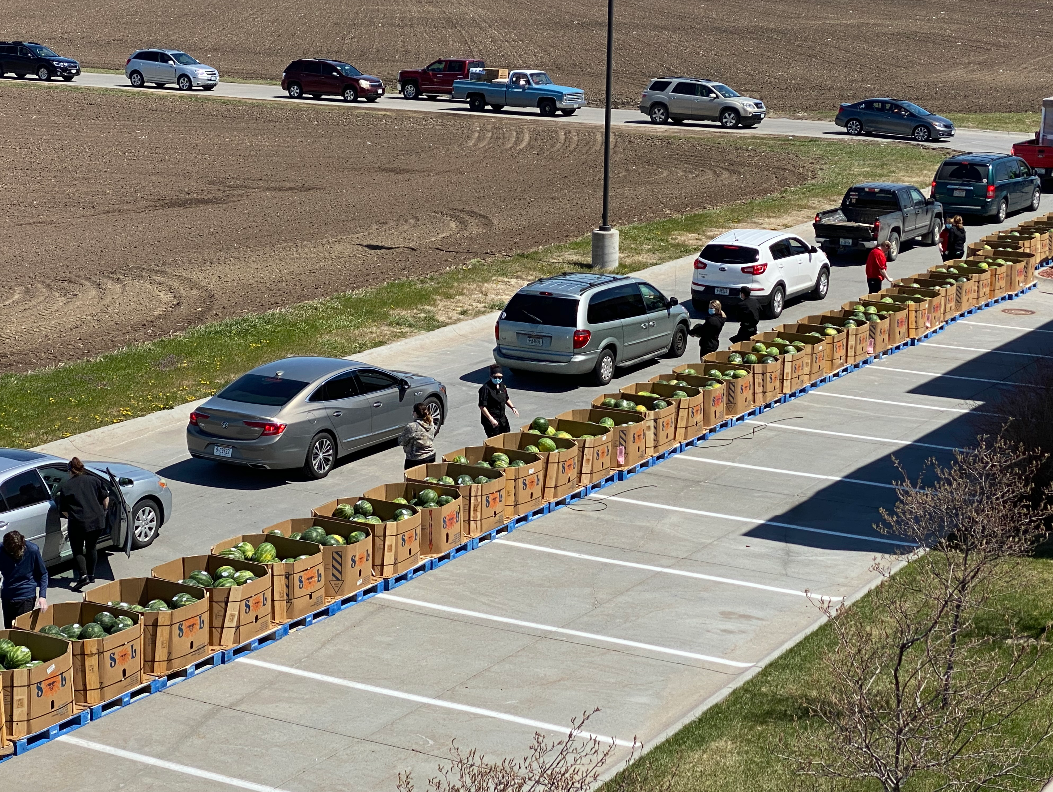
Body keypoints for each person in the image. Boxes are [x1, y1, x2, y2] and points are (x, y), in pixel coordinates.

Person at [56, 457, 109, 590]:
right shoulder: (94, 480)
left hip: (78, 523)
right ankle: (91, 575)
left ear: (70, 471)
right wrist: (104, 511)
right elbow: (105, 498)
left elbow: (64, 510)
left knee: (78, 550)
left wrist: (74, 517)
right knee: (91, 547)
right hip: (97, 521)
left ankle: (83, 576)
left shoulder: (66, 486)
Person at [0, 525, 48, 629]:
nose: (15, 556)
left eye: (16, 553)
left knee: (22, 630)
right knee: (9, 630)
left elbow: (43, 574)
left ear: (23, 545)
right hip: (7, 596)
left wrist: (42, 596)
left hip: (26, 597)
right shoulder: (1, 550)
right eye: (11, 553)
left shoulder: (32, 550)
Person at [479, 364, 519, 438]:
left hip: (502, 418)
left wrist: (513, 407)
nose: (497, 379)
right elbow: (482, 406)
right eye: (495, 377)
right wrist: (491, 419)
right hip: (492, 420)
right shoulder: (485, 389)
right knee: (495, 440)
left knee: (506, 436)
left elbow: (506, 398)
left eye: (500, 377)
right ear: (491, 376)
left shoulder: (502, 385)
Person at [398, 402, 438, 470]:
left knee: (413, 479)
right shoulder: (431, 423)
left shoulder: (412, 427)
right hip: (431, 456)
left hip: (415, 459)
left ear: (416, 413)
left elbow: (401, 441)